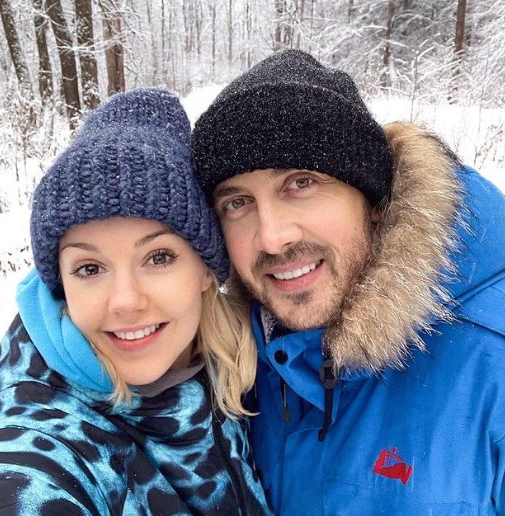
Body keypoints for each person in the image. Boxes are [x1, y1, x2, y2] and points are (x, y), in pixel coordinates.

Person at [192, 50, 505, 515]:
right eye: (237, 203)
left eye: (301, 183)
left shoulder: (492, 367)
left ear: (374, 201)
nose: (273, 238)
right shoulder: (232, 366)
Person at [0, 88, 270, 515]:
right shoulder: (46, 430)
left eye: (158, 258)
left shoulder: (249, 367)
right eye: (90, 268)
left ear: (205, 271)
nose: (125, 301)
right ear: (61, 285)